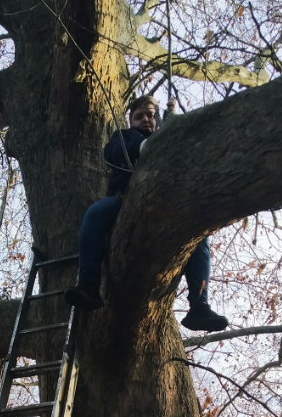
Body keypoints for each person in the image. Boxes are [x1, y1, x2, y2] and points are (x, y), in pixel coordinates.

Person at [64, 96, 228, 332]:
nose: (145, 120)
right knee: (96, 212)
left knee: (200, 237)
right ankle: (88, 284)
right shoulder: (125, 137)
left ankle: (199, 305)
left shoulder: (170, 139)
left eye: (150, 115)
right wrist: (142, 147)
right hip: (124, 199)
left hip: (172, 204)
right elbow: (112, 153)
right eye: (139, 116)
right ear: (131, 121)